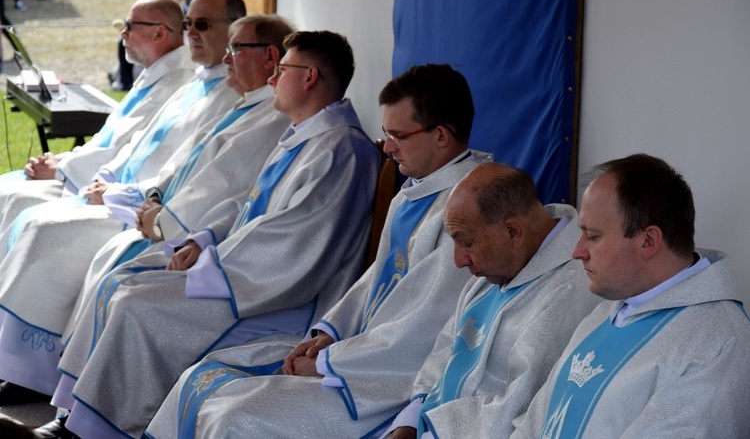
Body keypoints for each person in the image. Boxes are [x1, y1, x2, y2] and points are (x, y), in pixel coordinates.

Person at [50, 30, 380, 438]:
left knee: (139, 307)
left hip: (280, 297)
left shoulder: (340, 151)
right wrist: (203, 239)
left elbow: (292, 241)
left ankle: (98, 430)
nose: (273, 79)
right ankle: (77, 416)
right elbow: (250, 203)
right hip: (244, 275)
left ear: (309, 77)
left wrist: (215, 263)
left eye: (281, 70)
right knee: (125, 283)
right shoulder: (309, 135)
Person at [146, 64, 491, 438]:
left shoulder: (467, 210)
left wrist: (332, 362)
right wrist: (330, 331)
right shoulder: (418, 189)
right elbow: (376, 279)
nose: (387, 148)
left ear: (440, 135)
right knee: (202, 377)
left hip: (386, 379)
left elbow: (424, 324)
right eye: (386, 134)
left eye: (397, 136)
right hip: (360, 353)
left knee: (234, 418)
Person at [0, 0, 243, 404]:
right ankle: (15, 360)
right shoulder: (197, 84)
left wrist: (121, 194)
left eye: (202, 25)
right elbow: (142, 145)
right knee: (16, 198)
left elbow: (201, 179)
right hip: (128, 196)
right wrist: (108, 178)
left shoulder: (229, 94)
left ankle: (31, 373)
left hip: (145, 213)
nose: (192, 34)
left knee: (44, 228)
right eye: (189, 25)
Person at [511, 154, 750, 438]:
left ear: (648, 241)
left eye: (593, 236)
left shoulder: (718, 343)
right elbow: (534, 424)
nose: (577, 252)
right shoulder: (606, 312)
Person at [383, 163, 600, 438]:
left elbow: (519, 405)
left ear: (513, 232)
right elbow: (446, 350)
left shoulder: (570, 288)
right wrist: (410, 420)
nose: (458, 261)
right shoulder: (497, 266)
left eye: (467, 242)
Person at [0, 0, 193, 232]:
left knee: (22, 208)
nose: (123, 32)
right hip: (86, 176)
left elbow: (124, 149)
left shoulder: (174, 84)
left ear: (159, 34)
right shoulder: (156, 72)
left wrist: (60, 171)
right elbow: (108, 140)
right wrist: (60, 161)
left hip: (115, 195)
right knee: (5, 190)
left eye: (130, 25)